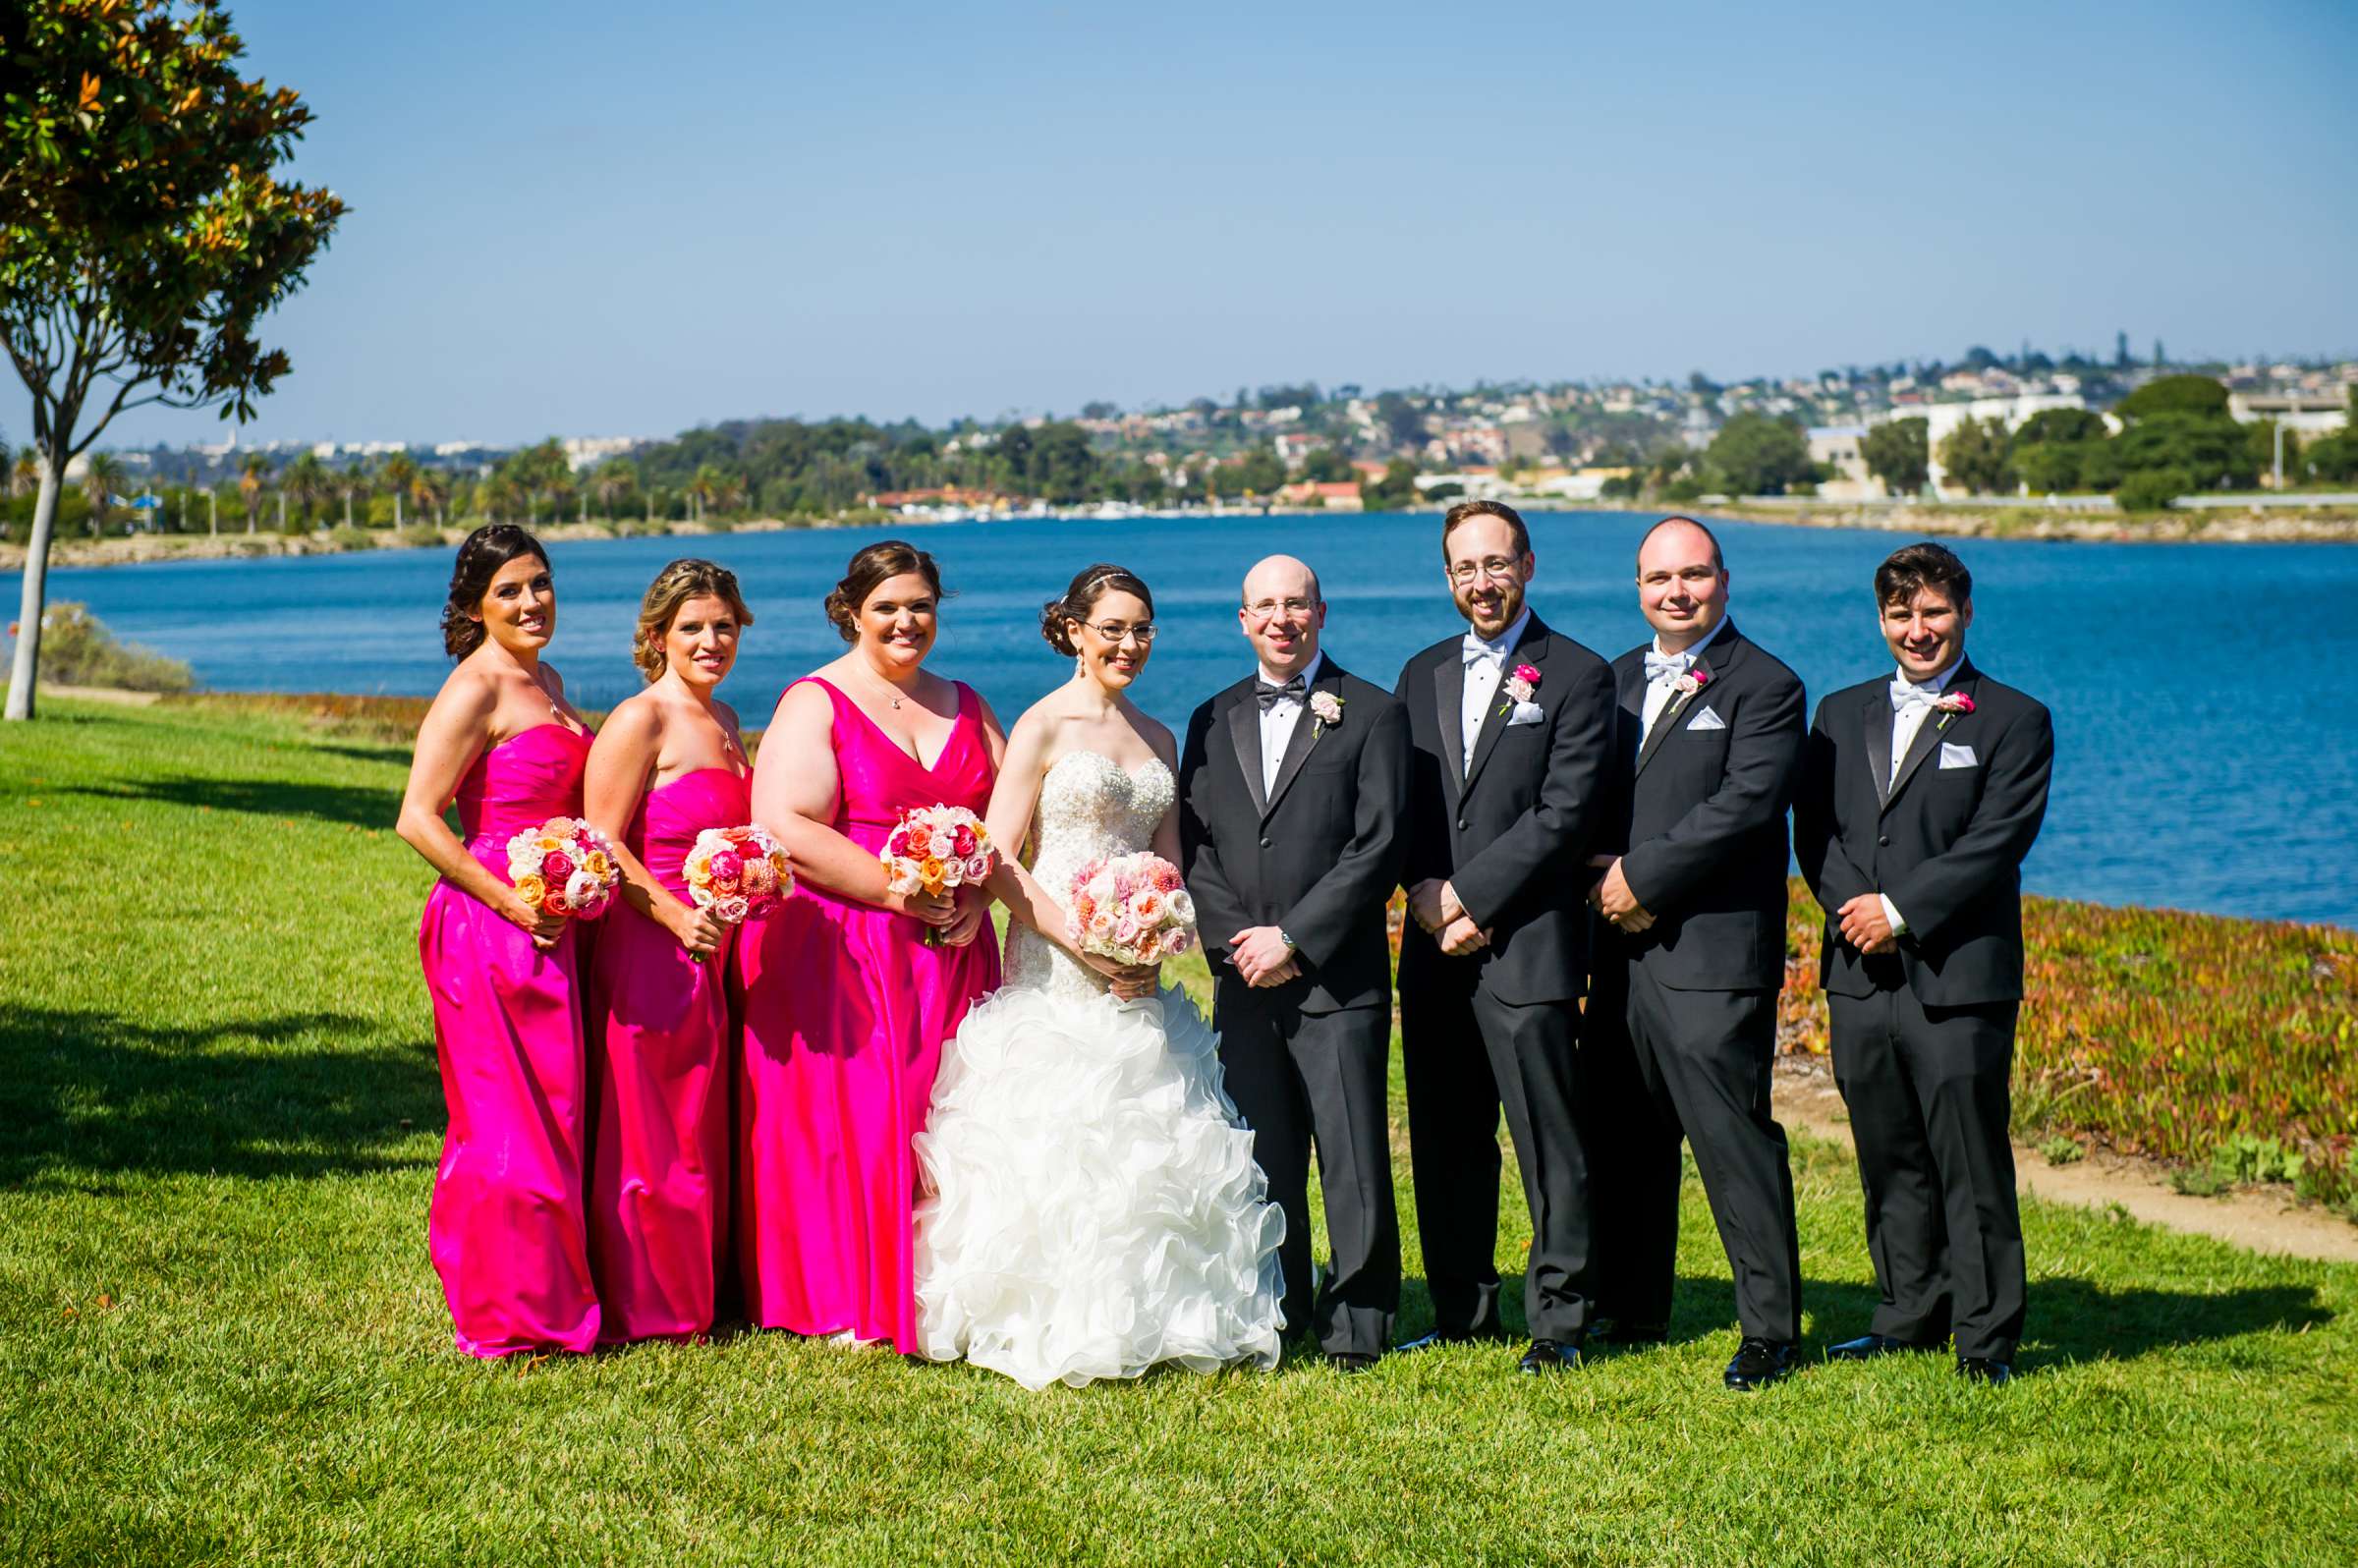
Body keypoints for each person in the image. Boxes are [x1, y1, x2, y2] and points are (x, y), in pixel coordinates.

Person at [914, 563, 1286, 1390]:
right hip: (1055, 959)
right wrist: (1085, 947)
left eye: (1142, 629)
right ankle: (1047, 1319)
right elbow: (1000, 856)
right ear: (1075, 631)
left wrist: (1155, 937)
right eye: (1112, 628)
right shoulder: (1043, 725)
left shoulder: (1159, 737)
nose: (1129, 643)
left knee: (1150, 1133)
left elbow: (1169, 861)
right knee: (1062, 1137)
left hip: (1139, 967)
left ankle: (1166, 1314)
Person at [1795, 541, 2053, 1386]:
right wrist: (1852, 911)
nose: (1919, 630)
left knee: (1969, 1158)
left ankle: (1986, 1339)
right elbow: (1818, 834)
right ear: (1881, 621)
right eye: (1902, 615)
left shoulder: (2014, 718)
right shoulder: (1838, 713)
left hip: (1958, 977)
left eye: (1934, 612)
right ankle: (1908, 1313)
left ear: (1965, 614)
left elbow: (1995, 843)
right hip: (1859, 973)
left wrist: (1899, 912)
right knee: (1889, 1149)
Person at [738, 541, 1003, 1352]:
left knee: (954, 1109)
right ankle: (854, 1291)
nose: (906, 621)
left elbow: (1009, 816)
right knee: (868, 1120)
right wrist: (898, 890)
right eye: (888, 606)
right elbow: (782, 821)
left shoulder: (966, 703)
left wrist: (979, 890)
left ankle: (954, 1288)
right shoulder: (815, 701)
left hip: (955, 943)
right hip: (851, 950)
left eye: (921, 605)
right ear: (852, 610)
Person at [1581, 517, 1806, 1390]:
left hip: (1711, 952)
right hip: (1618, 950)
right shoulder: (1611, 680)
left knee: (1732, 1140)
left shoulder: (1768, 686)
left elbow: (1745, 807)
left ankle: (1771, 1332)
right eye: (1658, 579)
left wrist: (1641, 878)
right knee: (1627, 1134)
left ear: (1723, 579)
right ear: (1638, 589)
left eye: (1694, 575)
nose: (1677, 592)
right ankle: (1633, 1303)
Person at [1392, 500, 1616, 1373]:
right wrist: (1420, 891)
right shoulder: (1421, 674)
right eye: (1464, 569)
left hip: (1527, 943)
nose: (1481, 583)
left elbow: (1564, 814)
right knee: (1447, 1136)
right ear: (1447, 579)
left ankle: (1560, 1320)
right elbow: (1403, 802)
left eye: (1496, 564)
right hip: (1432, 945)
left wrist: (1468, 900)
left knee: (1547, 1139)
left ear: (1528, 565)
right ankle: (1460, 1307)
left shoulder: (1577, 674)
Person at [1178, 554, 1408, 1372]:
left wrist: (1296, 937)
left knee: (1351, 1156)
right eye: (1265, 606)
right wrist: (1239, 940)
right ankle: (1278, 1306)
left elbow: (1377, 846)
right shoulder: (1210, 717)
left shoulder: (1376, 713)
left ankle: (1360, 1322)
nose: (1282, 618)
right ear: (1243, 620)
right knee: (1263, 1154)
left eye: (1297, 604)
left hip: (1337, 978)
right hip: (1242, 977)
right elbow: (1193, 844)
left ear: (1321, 612)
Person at [396, 524, 600, 1358]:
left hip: (553, 916)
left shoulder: (546, 680)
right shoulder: (475, 687)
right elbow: (417, 817)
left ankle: (554, 1293)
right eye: (509, 590)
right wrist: (514, 907)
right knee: (503, 1115)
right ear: (476, 606)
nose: (530, 602)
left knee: (554, 1108)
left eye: (540, 584)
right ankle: (506, 1313)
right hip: (489, 923)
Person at [582, 559, 760, 1344]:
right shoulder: (640, 719)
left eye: (724, 625)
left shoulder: (722, 721)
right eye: (692, 627)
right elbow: (599, 840)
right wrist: (670, 916)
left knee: (699, 1118)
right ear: (657, 635)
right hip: (651, 944)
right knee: (650, 1121)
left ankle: (700, 1289)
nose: (711, 639)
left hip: (713, 946)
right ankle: (648, 1303)